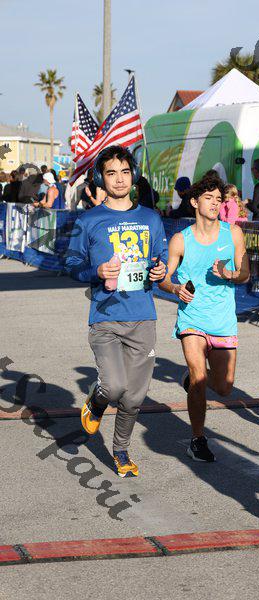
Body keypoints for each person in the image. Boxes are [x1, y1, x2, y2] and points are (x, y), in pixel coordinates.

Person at [65, 145, 167, 478]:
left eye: (125, 172)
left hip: (143, 317)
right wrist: (97, 271)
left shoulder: (151, 218)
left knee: (134, 398)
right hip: (105, 317)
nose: (120, 179)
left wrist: (160, 270)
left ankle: (121, 450)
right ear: (101, 179)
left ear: (133, 176)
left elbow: (162, 259)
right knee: (112, 386)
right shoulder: (89, 220)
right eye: (111, 173)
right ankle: (96, 401)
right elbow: (71, 264)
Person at [158, 173, 250, 462]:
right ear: (195, 202)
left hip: (222, 319)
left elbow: (245, 274)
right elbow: (165, 278)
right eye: (208, 198)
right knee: (199, 378)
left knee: (224, 387)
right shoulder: (180, 240)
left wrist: (229, 273)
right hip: (192, 318)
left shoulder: (233, 233)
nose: (214, 203)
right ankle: (197, 439)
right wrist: (175, 288)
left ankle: (192, 379)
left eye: (218, 199)